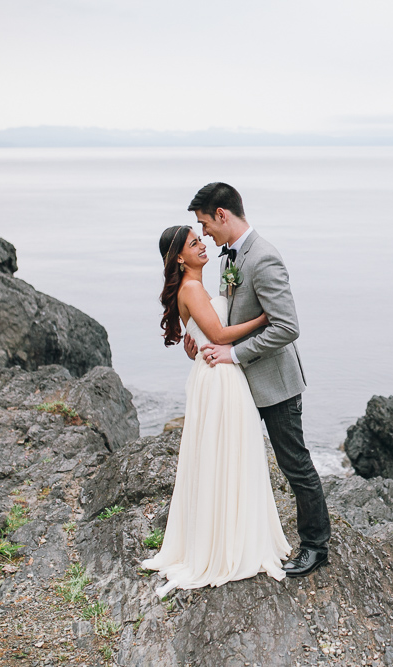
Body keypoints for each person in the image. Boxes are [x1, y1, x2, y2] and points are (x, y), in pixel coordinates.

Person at [184, 182, 331, 577]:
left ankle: (316, 546)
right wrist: (197, 335)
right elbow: (226, 315)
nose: (205, 234)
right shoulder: (228, 258)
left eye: (205, 223)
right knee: (245, 463)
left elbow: (287, 327)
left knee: (294, 464)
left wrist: (234, 353)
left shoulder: (263, 258)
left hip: (274, 383)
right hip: (241, 387)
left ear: (222, 214)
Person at [140, 225, 291, 595]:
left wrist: (197, 343)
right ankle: (227, 542)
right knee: (230, 455)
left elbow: (203, 334)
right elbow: (221, 336)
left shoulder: (197, 288)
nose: (203, 243)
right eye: (194, 243)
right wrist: (265, 318)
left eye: (201, 237)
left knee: (225, 455)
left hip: (217, 373)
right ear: (179, 257)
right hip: (220, 377)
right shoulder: (191, 289)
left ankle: (226, 533)